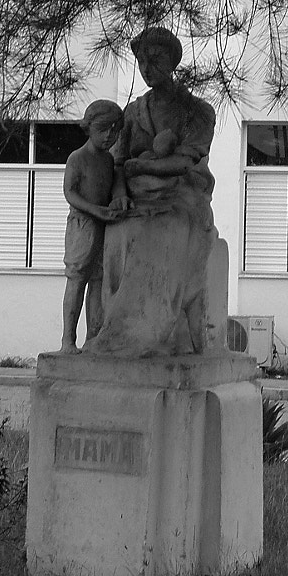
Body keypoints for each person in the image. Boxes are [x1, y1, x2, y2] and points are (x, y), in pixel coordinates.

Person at [84, 26, 218, 356]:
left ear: (173, 61)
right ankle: (116, 329)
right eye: (141, 60)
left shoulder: (198, 111)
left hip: (183, 198)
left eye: (154, 59)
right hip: (137, 196)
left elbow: (185, 162)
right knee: (120, 226)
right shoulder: (132, 112)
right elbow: (117, 163)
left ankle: (151, 332)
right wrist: (119, 193)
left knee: (164, 228)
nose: (146, 68)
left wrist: (141, 167)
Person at [60, 100, 123, 352]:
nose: (109, 135)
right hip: (82, 225)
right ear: (89, 127)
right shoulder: (78, 158)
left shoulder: (108, 161)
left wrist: (117, 201)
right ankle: (68, 340)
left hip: (104, 226)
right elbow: (70, 192)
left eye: (115, 130)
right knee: (77, 279)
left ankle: (93, 339)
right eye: (103, 128)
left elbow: (115, 187)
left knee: (98, 281)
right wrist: (95, 210)